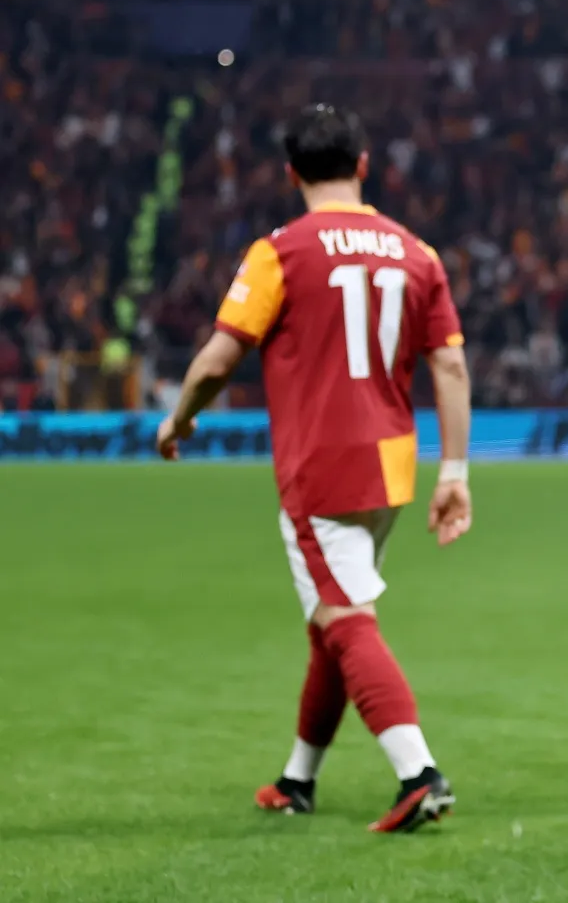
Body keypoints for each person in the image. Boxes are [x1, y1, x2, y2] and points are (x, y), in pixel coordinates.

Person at [153, 104, 471, 833]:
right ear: (364, 165)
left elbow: (220, 355)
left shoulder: (280, 251)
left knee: (346, 618)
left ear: (290, 173)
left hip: (320, 465)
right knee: (332, 617)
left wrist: (179, 417)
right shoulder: (416, 251)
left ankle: (417, 772)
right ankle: (298, 778)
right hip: (393, 465)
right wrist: (455, 469)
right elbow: (449, 362)